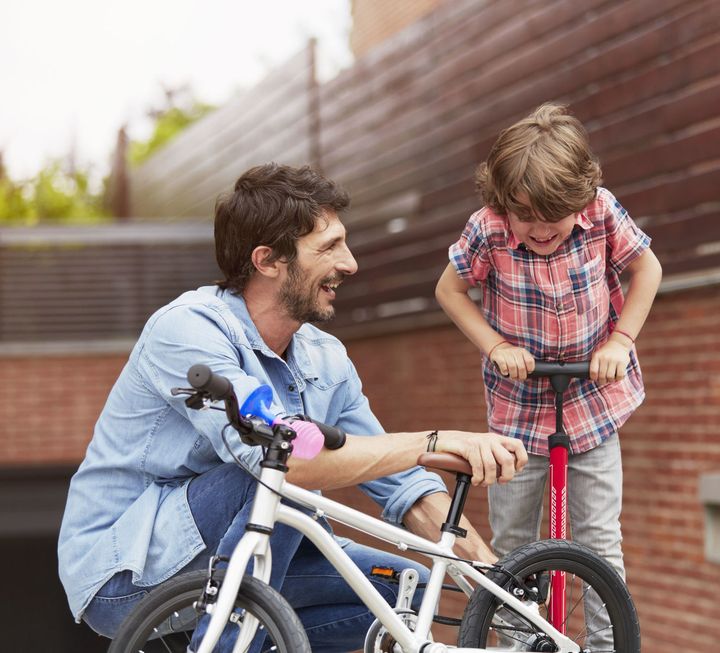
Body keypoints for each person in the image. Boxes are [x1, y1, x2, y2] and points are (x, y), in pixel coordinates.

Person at [58, 163, 527, 651]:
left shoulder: (326, 358)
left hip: (251, 551)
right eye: (328, 248)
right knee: (281, 460)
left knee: (404, 586)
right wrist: (432, 441)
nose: (350, 264)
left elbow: (404, 487)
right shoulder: (188, 331)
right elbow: (288, 460)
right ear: (267, 260)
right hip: (124, 570)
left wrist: (501, 591)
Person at [435, 103, 662, 648]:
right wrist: (494, 345)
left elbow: (646, 266)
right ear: (502, 202)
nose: (539, 230)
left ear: (581, 200)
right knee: (514, 542)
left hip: (594, 401)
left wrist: (620, 340)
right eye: (525, 216)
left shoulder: (602, 212)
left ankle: (611, 646)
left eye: (553, 217)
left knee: (600, 540)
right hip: (517, 411)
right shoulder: (487, 230)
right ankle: (520, 644)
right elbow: (449, 290)